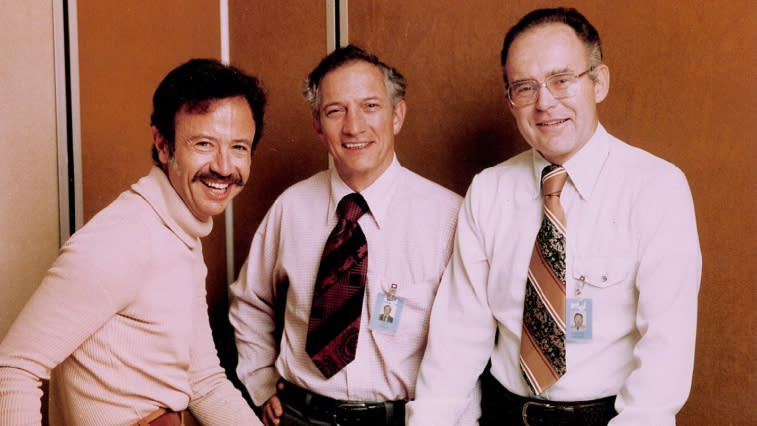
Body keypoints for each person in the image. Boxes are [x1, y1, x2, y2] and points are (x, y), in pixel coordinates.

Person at [407, 8, 701, 426]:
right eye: (524, 87)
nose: (545, 103)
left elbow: (664, 354)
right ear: (510, 100)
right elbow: (456, 341)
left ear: (599, 83)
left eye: (562, 80)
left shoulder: (657, 188)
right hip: (504, 414)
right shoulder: (488, 190)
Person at [0, 58, 267, 426]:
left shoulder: (178, 233)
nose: (224, 166)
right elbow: (13, 368)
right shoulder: (121, 239)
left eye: (239, 147)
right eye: (204, 143)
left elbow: (203, 382)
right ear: (163, 144)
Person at [229, 45, 476, 426]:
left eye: (370, 106)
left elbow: (466, 346)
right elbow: (251, 301)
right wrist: (260, 382)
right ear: (317, 125)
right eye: (335, 111)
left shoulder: (450, 217)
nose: (354, 126)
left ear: (398, 115)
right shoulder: (291, 208)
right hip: (299, 416)